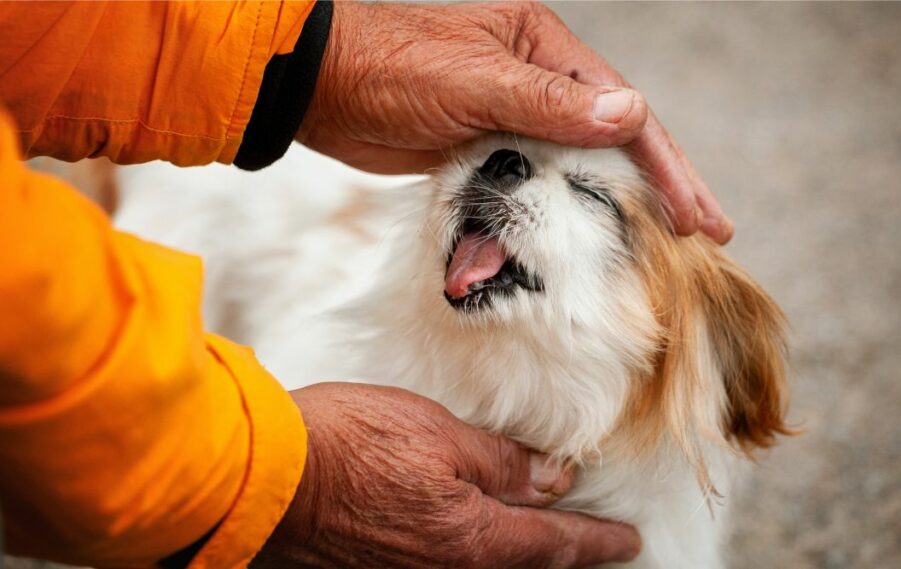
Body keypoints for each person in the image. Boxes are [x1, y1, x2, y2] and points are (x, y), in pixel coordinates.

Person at [0, 2, 731, 567]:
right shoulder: (316, 376)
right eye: (491, 155)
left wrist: (307, 61)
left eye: (595, 199)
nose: (501, 170)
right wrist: (272, 486)